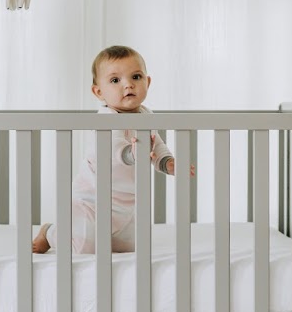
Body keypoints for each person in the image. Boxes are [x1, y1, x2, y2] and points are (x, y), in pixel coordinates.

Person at [33, 45, 191, 254]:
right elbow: (114, 149)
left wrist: (167, 162)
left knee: (132, 248)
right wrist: (133, 154)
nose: (128, 85)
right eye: (116, 80)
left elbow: (157, 145)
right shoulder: (105, 119)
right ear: (99, 92)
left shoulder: (146, 116)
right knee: (83, 247)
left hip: (126, 207)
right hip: (91, 202)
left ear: (148, 82)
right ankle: (50, 231)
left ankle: (105, 236)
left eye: (136, 77)